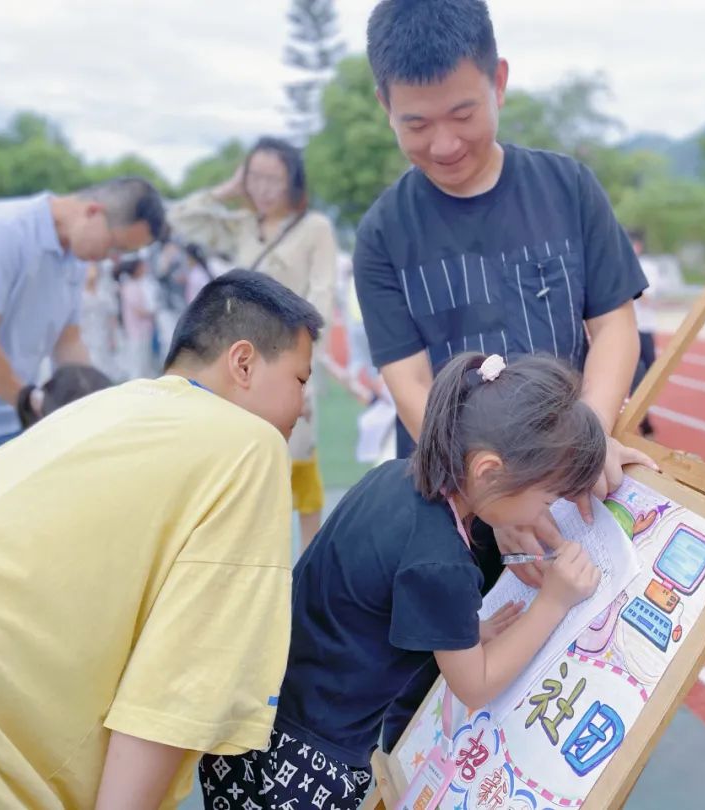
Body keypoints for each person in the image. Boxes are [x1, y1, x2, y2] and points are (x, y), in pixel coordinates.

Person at [0, 270, 323, 809]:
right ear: (244, 362)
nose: (304, 407)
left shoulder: (111, 404)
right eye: (300, 380)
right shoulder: (248, 445)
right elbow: (173, 692)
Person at [355, 0, 658, 753]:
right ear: (384, 106)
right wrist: (488, 500)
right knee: (435, 715)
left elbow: (612, 324)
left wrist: (585, 436)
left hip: (567, 489)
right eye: (416, 125)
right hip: (450, 511)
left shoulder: (567, 188)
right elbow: (408, 381)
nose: (445, 142)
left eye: (463, 112)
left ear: (499, 80)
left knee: (573, 690)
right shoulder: (383, 234)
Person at [199, 352, 605, 810]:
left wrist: (464, 636)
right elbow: (476, 684)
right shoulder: (442, 561)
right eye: (547, 499)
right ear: (489, 471)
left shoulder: (395, 478)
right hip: (303, 765)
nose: (543, 516)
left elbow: (373, 605)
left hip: (255, 724)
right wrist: (553, 600)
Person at [0, 177, 166, 490]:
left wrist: (92, 395)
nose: (111, 258)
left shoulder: (74, 258)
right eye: (115, 246)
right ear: (93, 211)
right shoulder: (2, 232)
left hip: (9, 413)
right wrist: (29, 400)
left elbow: (69, 340)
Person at [169, 136, 339, 550]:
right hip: (242, 365)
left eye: (272, 179)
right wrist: (226, 190)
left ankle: (307, 573)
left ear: (293, 181)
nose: (262, 188)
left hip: (288, 361)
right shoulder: (242, 224)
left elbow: (322, 297)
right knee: (247, 469)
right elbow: (178, 220)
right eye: (254, 177)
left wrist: (301, 364)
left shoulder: (314, 228)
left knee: (298, 466)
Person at [628, 230, 660, 434]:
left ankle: (643, 419)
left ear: (637, 246)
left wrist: (629, 280)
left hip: (645, 330)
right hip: (626, 331)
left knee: (648, 378)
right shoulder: (615, 268)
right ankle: (642, 423)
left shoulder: (648, 268)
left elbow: (647, 298)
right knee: (632, 376)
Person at [117, 255, 160, 379]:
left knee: (145, 364)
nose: (145, 269)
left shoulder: (137, 285)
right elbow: (138, 311)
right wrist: (152, 312)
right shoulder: (130, 287)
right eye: (142, 267)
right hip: (136, 331)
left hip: (144, 330)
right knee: (138, 366)